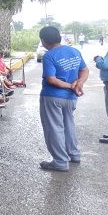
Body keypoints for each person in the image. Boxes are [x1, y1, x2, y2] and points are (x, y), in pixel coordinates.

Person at [38, 26, 88, 172]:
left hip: (52, 97)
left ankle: (60, 161)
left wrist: (71, 85)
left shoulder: (49, 55)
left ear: (43, 40)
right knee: (68, 125)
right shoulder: (74, 51)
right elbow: (84, 70)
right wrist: (78, 84)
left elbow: (51, 80)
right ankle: (74, 154)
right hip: (71, 98)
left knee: (54, 128)